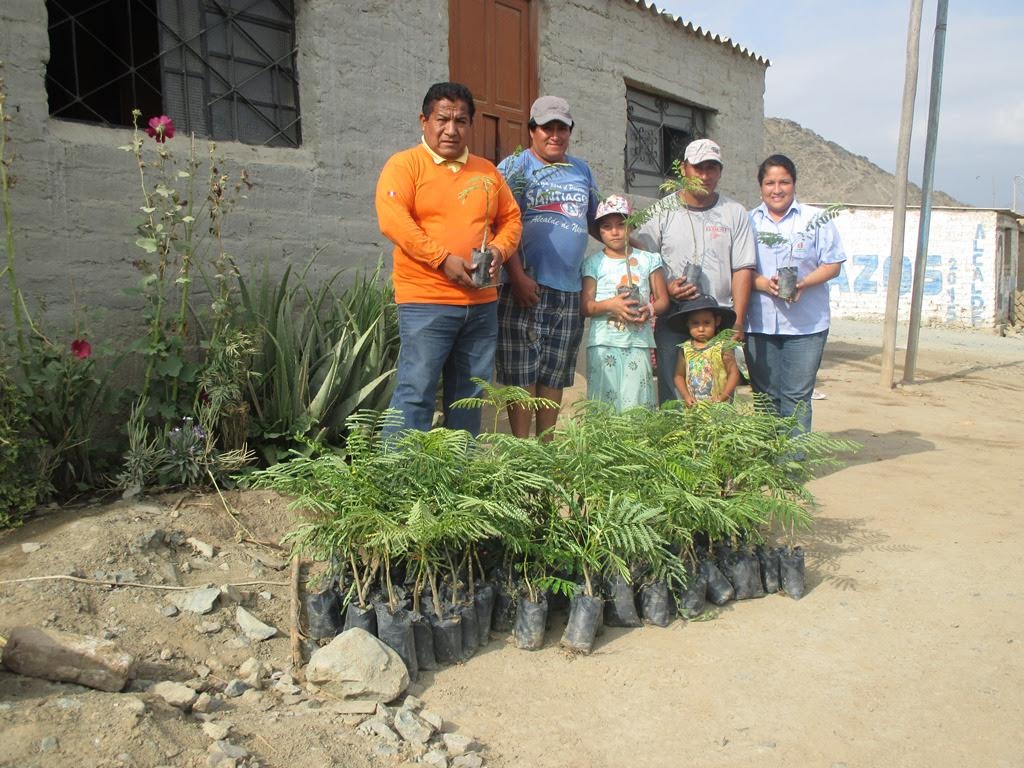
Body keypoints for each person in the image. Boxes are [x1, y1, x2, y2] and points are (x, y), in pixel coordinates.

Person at [375, 82, 522, 435]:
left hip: (481, 304)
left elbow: (512, 219)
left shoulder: (487, 171)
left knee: (470, 396)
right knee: (416, 391)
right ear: (424, 120)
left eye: (460, 121)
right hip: (426, 302)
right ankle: (396, 476)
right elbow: (393, 220)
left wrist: (499, 251)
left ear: (471, 125)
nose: (451, 130)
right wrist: (442, 259)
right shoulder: (405, 166)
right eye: (442, 120)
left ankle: (457, 474)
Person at [496, 95, 601, 439]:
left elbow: (597, 221)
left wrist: (634, 247)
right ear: (532, 131)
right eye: (547, 128)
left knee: (554, 374)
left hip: (569, 290)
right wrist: (518, 276)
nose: (554, 135)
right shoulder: (515, 167)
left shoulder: (581, 170)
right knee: (522, 372)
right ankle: (522, 449)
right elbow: (500, 223)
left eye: (562, 128)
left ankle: (546, 448)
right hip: (525, 286)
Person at [631, 138, 756, 404]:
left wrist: (738, 321)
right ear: (684, 169)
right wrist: (666, 289)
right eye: (698, 167)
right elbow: (645, 261)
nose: (705, 175)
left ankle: (714, 446)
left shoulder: (734, 213)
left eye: (712, 168)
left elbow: (743, 268)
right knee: (674, 395)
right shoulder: (661, 210)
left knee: (719, 396)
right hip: (674, 319)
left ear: (720, 171)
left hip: (719, 320)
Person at [745, 153, 846, 434]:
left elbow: (833, 264)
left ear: (794, 184)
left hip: (806, 326)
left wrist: (803, 283)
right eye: (769, 183)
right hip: (760, 323)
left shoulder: (815, 220)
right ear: (761, 187)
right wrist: (764, 284)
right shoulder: (748, 222)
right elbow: (739, 270)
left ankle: (791, 467)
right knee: (765, 398)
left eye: (784, 182)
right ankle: (767, 462)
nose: (777, 189)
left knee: (796, 397)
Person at [580, 195, 669, 411]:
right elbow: (586, 307)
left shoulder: (648, 260)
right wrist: (611, 305)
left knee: (636, 404)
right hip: (604, 343)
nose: (615, 231)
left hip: (637, 343)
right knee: (604, 404)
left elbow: (663, 300)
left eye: (621, 225)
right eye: (607, 226)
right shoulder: (593, 263)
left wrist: (649, 310)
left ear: (631, 228)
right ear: (599, 231)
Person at [664, 295, 740, 406]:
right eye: (695, 323)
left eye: (706, 322)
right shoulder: (685, 349)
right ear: (687, 323)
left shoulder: (722, 346)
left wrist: (723, 396)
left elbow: (734, 373)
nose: (701, 329)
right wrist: (686, 396)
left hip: (719, 408)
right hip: (695, 410)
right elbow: (678, 376)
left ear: (717, 321)